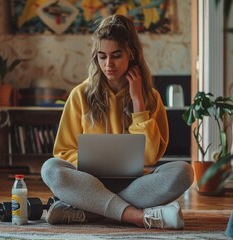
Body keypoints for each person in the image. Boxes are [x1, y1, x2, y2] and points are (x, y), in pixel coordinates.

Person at [41, 14, 194, 229]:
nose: (108, 64)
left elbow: (150, 157)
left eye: (116, 55)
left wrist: (138, 102)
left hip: (135, 183)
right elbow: (63, 151)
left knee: (183, 171)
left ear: (131, 54)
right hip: (89, 181)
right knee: (50, 168)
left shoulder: (150, 97)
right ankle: (135, 216)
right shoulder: (80, 94)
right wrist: (87, 164)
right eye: (102, 56)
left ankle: (90, 211)